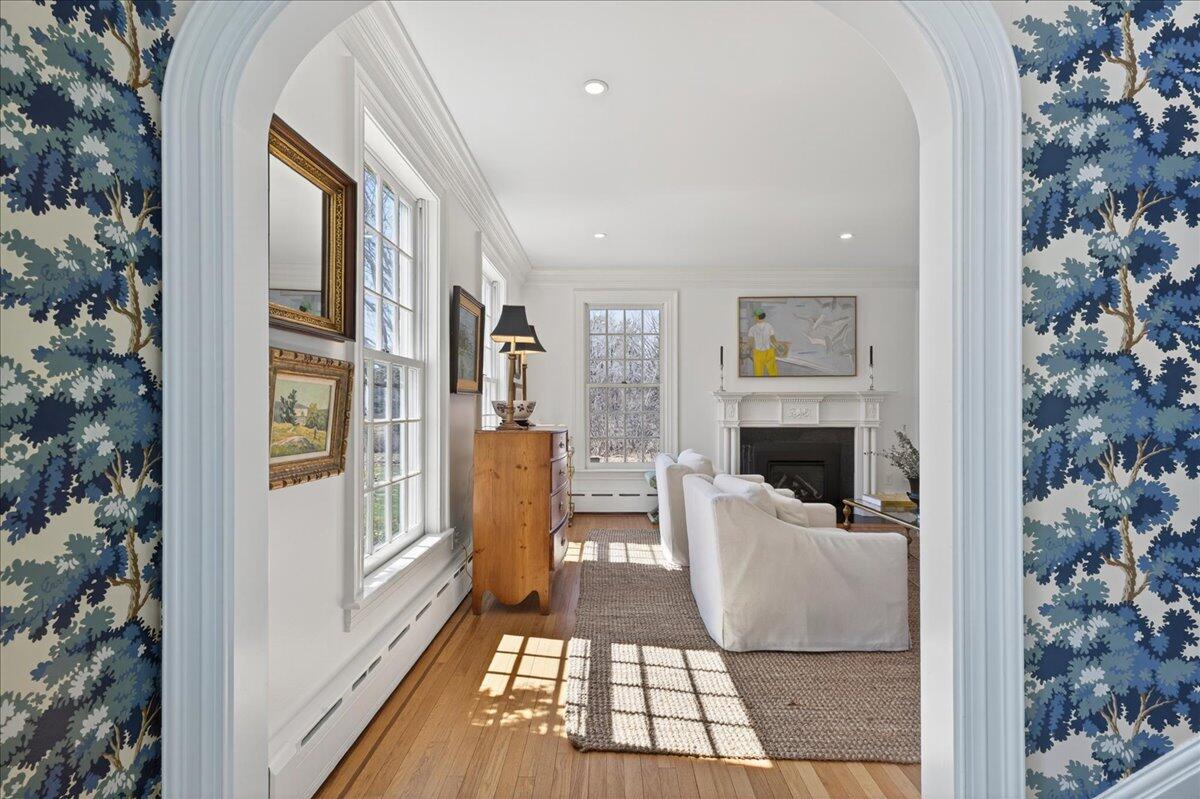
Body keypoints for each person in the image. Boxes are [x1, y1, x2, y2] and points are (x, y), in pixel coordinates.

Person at [746, 309, 778, 376]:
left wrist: (747, 350)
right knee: (773, 374)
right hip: (769, 352)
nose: (754, 318)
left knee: (758, 374)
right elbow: (773, 339)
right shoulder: (769, 326)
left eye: (755, 316)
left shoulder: (752, 328)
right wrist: (778, 346)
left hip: (758, 353)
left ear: (757, 317)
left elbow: (750, 342)